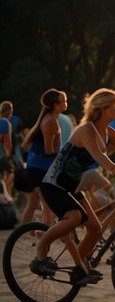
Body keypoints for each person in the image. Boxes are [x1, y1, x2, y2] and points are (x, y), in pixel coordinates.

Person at [32, 89, 115, 284]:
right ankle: (40, 251)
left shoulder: (109, 133)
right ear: (102, 109)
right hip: (54, 183)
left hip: (71, 187)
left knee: (95, 227)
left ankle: (79, 268)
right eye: (114, 107)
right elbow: (98, 155)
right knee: (74, 217)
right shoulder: (86, 130)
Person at [17, 89, 67, 225]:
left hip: (37, 168)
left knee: (47, 206)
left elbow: (27, 146)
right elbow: (48, 150)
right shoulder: (50, 122)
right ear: (56, 105)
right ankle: (45, 237)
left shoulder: (48, 119)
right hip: (41, 170)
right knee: (48, 205)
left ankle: (43, 235)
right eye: (64, 101)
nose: (66, 103)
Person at [0, 100, 14, 197]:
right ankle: (6, 195)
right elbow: (8, 142)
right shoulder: (6, 123)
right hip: (1, 154)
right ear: (9, 111)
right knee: (11, 172)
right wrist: (10, 156)